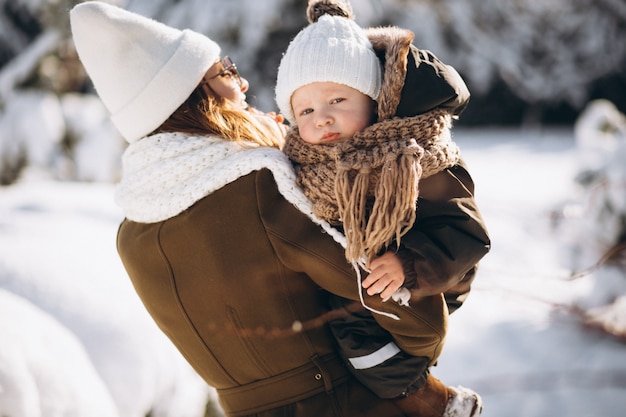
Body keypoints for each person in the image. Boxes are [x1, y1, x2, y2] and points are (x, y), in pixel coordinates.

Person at [69, 2, 486, 416]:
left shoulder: (130, 233)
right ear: (195, 97)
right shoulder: (258, 185)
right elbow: (402, 309)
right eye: (225, 72)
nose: (243, 81)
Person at [275, 1, 490, 416]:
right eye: (306, 110)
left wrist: (409, 263)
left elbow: (466, 233)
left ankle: (435, 403)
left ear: (376, 102)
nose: (322, 118)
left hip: (429, 277)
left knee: (360, 346)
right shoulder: (305, 165)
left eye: (337, 99)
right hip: (357, 282)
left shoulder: (415, 156)